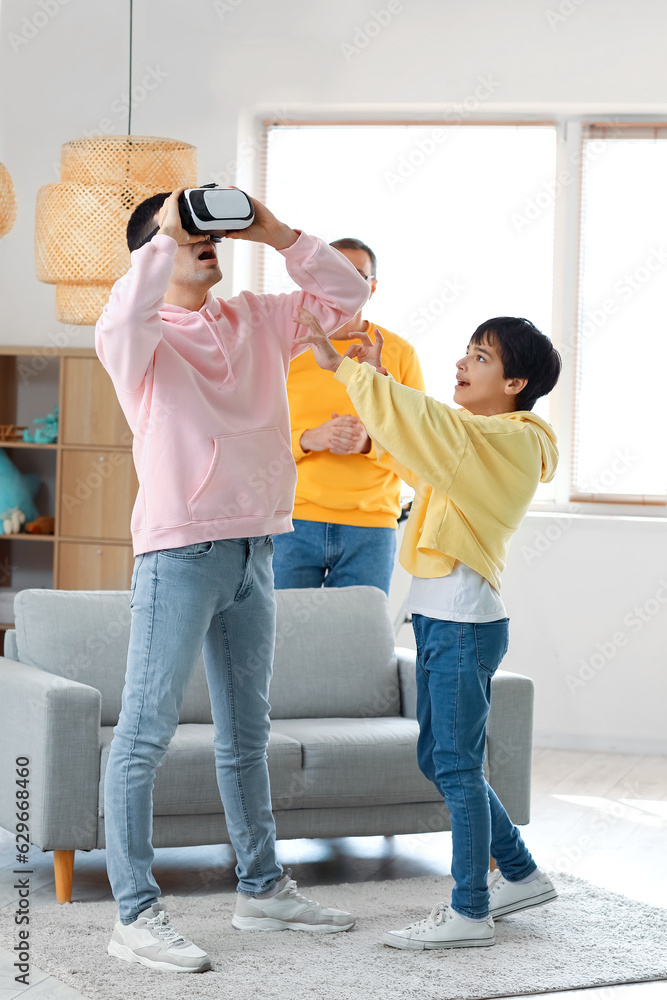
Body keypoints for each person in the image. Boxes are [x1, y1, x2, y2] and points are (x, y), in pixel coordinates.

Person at [95, 189, 370, 973]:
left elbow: (345, 297)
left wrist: (273, 230)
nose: (203, 241)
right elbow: (118, 317)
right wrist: (164, 234)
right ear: (151, 254)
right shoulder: (139, 339)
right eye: (185, 235)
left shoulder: (253, 317)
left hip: (256, 549)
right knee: (143, 736)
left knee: (246, 736)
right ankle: (136, 914)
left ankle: (261, 888)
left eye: (207, 233)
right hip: (179, 555)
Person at [290, 307, 561, 951]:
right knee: (438, 759)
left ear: (516, 383)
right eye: (466, 352)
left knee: (458, 766)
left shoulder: (511, 441)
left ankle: (469, 911)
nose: (462, 364)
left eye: (481, 357)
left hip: (464, 624)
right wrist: (379, 393)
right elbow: (420, 455)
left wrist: (352, 371)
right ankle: (519, 872)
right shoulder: (475, 441)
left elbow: (433, 428)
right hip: (442, 622)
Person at [272, 238, 424, 596]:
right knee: (281, 642)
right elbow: (253, 436)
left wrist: (369, 443)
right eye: (335, 273)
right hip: (292, 520)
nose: (346, 284)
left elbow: (420, 443)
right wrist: (308, 439)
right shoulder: (285, 349)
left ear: (371, 287)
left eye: (356, 276)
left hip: (370, 526)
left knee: (357, 644)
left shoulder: (398, 353)